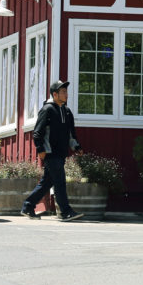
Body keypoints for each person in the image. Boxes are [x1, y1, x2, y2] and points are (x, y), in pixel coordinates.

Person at [22, 80, 84, 221]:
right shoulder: (47, 110)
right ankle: (65, 211)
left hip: (61, 153)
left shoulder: (67, 112)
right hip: (50, 153)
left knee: (48, 182)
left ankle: (28, 206)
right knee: (60, 181)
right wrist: (40, 149)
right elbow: (37, 132)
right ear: (54, 94)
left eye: (66, 92)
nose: (66, 94)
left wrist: (77, 147)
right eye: (63, 92)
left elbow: (71, 134)